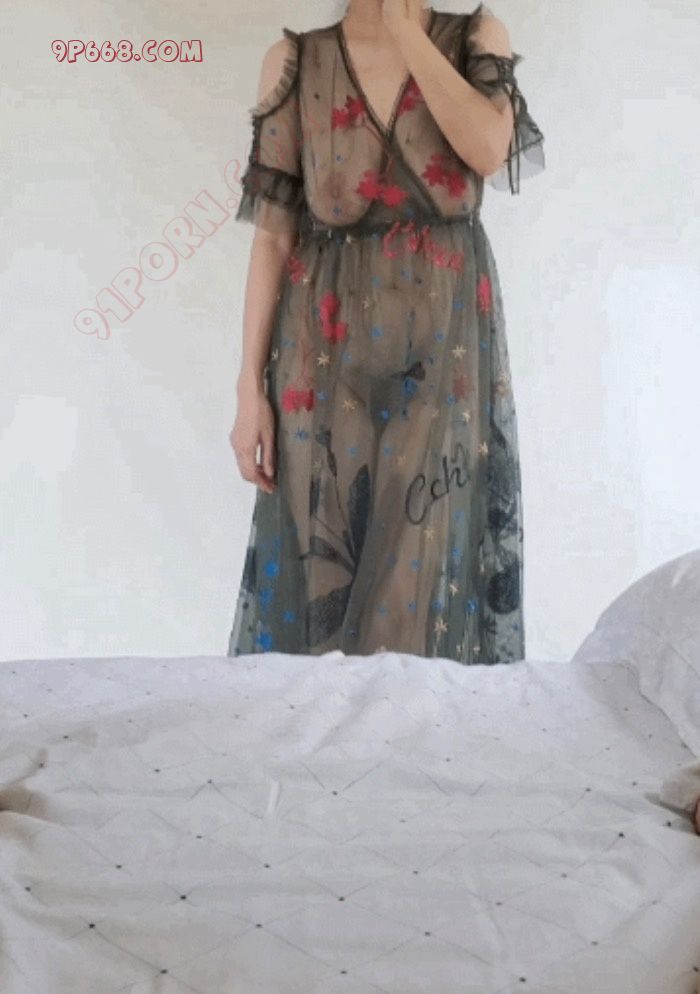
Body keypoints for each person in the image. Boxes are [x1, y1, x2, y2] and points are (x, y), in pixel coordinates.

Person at [227, 1, 545, 661]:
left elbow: (489, 151)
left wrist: (406, 28)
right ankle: (323, 732)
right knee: (323, 592)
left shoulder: (475, 37)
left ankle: (408, 731)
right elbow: (274, 238)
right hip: (318, 362)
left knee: (415, 593)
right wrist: (248, 389)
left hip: (444, 358)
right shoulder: (295, 61)